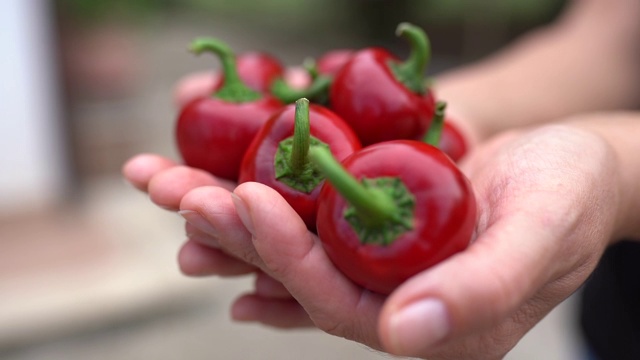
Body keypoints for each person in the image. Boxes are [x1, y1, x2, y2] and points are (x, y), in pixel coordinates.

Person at [122, 0, 640, 358]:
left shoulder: (338, 160)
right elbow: (615, 41)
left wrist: (616, 171)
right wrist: (469, 109)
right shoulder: (332, 148)